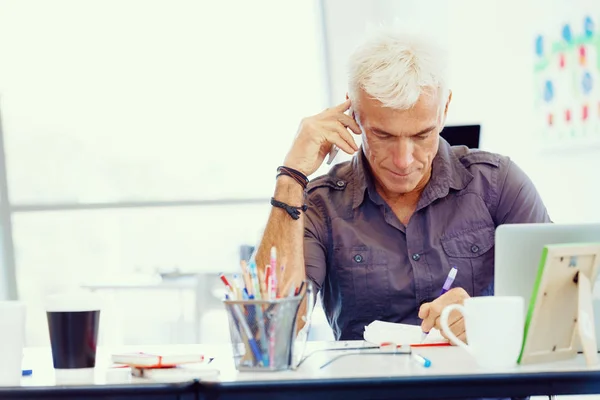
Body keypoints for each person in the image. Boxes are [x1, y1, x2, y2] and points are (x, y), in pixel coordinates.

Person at [253, 28, 551, 343]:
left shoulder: (497, 183)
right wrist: (291, 176)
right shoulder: (320, 204)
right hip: (371, 390)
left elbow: (562, 308)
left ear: (444, 109)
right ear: (354, 112)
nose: (404, 160)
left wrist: (487, 318)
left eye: (422, 135)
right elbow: (269, 331)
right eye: (384, 135)